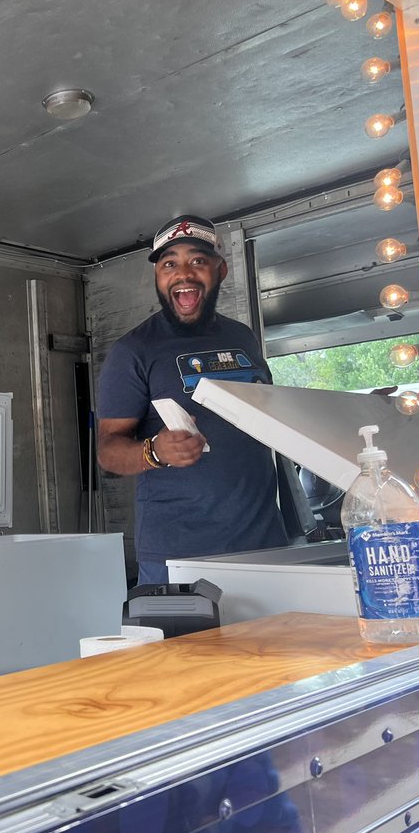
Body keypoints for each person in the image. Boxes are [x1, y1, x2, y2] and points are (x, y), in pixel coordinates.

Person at [97, 214, 288, 586]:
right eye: (170, 264)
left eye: (197, 261)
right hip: (180, 554)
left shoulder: (243, 338)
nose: (183, 273)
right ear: (158, 277)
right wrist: (155, 452)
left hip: (264, 543)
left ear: (221, 270)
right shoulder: (134, 350)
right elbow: (108, 451)